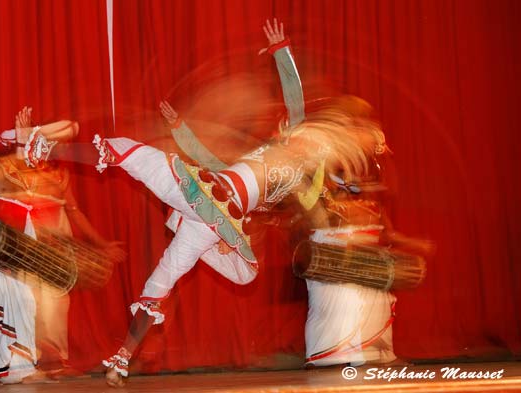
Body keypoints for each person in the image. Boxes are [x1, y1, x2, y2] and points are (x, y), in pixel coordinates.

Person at [23, 21, 380, 387]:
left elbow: (295, 99)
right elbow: (206, 159)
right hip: (203, 198)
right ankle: (122, 359)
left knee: (202, 263)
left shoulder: (299, 176)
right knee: (159, 267)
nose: (295, 136)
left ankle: (45, 148)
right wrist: (179, 128)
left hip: (209, 216)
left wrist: (281, 52)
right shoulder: (269, 152)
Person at [0, 107, 116, 385]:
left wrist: (26, 136)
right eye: (40, 146)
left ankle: (14, 370)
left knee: (23, 304)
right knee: (0, 306)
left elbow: (70, 127)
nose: (47, 153)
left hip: (18, 256)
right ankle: (1, 370)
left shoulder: (39, 176)